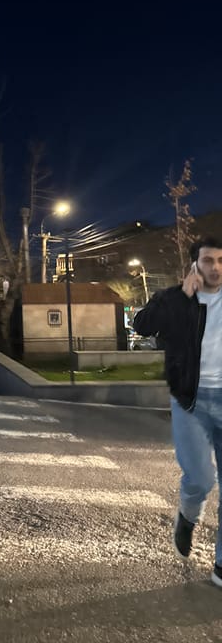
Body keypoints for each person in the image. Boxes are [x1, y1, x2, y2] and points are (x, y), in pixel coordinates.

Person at [133, 236, 222, 587]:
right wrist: (182, 296)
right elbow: (142, 326)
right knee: (200, 479)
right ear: (194, 265)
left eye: (221, 260)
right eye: (209, 261)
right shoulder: (174, 298)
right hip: (191, 401)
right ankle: (188, 515)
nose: (216, 267)